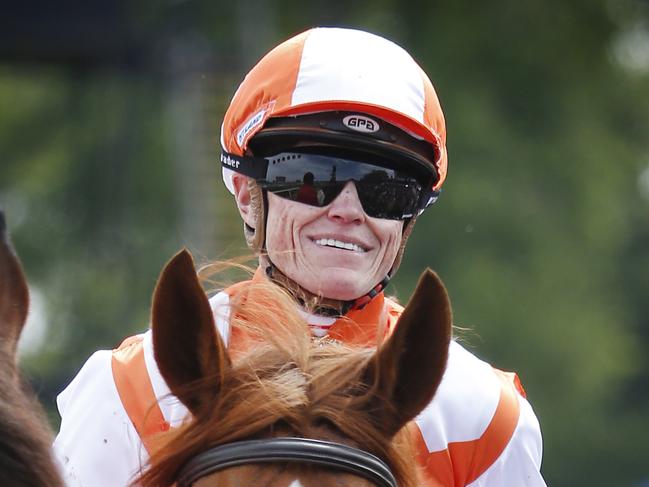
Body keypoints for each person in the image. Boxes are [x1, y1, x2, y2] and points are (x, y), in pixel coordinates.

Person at [53, 27, 546, 486]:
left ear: (408, 220)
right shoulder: (129, 389)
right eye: (313, 177)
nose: (349, 209)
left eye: (387, 190)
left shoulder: (484, 415)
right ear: (248, 195)